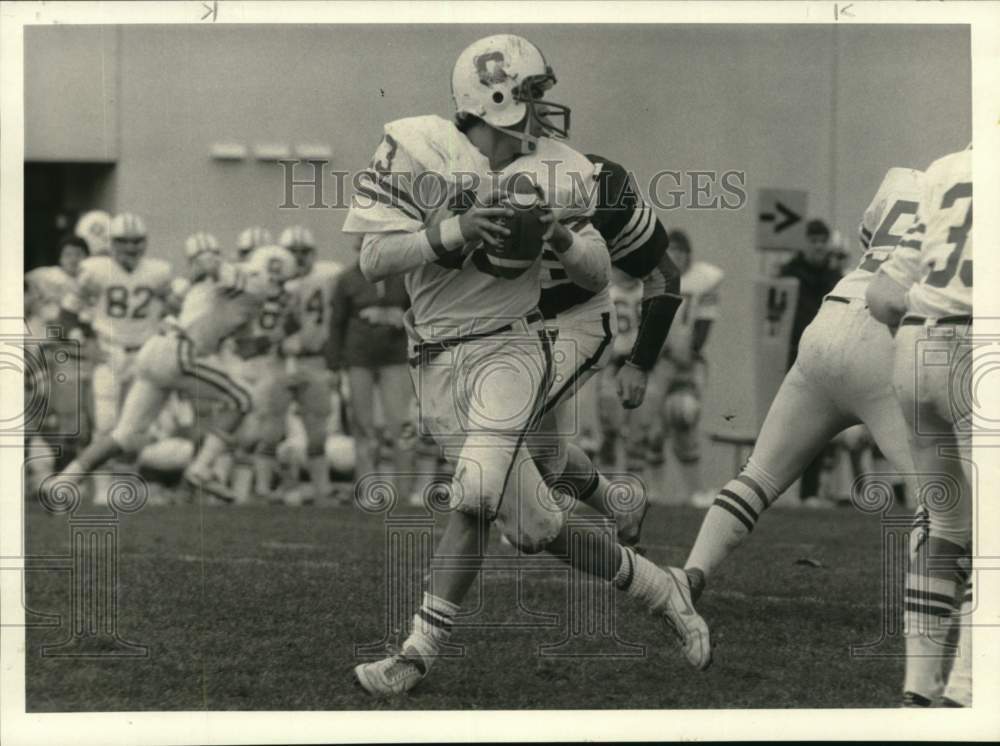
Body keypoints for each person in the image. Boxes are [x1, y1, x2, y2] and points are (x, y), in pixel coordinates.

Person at [347, 34, 710, 697]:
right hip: (430, 355)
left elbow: (603, 272)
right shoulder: (416, 147)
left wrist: (563, 237)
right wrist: (455, 231)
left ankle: (415, 655)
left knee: (478, 493)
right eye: (532, 94)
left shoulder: (566, 170)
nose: (545, 109)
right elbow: (372, 259)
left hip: (512, 348)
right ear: (491, 97)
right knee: (538, 525)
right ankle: (662, 589)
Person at [682, 166, 925, 621]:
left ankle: (691, 573)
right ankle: (936, 617)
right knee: (939, 500)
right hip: (888, 340)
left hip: (831, 320)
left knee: (757, 476)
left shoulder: (902, 178)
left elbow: (871, 243)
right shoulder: (976, 194)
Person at [44, 244, 298, 504]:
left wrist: (278, 335)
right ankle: (201, 468)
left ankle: (63, 482)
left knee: (125, 434)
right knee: (244, 398)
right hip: (180, 351)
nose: (280, 289)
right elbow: (211, 264)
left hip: (155, 349)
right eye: (280, 281)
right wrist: (203, 270)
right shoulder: (250, 282)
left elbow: (245, 349)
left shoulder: (246, 297)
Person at [532, 153, 683, 547]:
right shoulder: (467, 172)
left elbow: (662, 274)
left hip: (575, 320)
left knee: (510, 426)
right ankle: (620, 506)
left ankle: (520, 513)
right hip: (516, 325)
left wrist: (640, 362)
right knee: (544, 452)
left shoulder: (596, 181)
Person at [867, 147, 972, 708]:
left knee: (946, 525)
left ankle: (918, 690)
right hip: (983, 347)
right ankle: (965, 693)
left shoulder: (944, 170)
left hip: (916, 343)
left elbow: (881, 295)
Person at [59, 213, 173, 504]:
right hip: (109, 351)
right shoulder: (94, 270)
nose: (131, 247)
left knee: (135, 426)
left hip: (144, 354)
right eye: (123, 241)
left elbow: (174, 309)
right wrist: (86, 341)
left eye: (137, 241)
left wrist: (168, 329)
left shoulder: (159, 272)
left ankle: (126, 489)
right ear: (111, 243)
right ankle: (102, 491)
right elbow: (68, 313)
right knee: (107, 424)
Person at [326, 236, 415, 504]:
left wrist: (398, 320)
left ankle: (403, 492)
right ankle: (367, 491)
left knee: (400, 425)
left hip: (396, 358)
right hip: (358, 360)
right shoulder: (347, 279)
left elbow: (420, 314)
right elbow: (336, 323)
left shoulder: (404, 276)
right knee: (363, 427)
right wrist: (333, 365)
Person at [648, 230, 723, 506]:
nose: (676, 256)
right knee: (653, 427)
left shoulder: (704, 280)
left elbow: (704, 325)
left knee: (683, 414)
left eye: (681, 250)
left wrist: (690, 352)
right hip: (656, 360)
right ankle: (655, 491)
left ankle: (695, 490)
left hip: (686, 361)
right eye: (671, 250)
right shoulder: (653, 279)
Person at [276, 225, 344, 504]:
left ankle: (321, 490)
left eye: (304, 252)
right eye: (293, 252)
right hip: (279, 362)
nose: (299, 257)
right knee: (275, 426)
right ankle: (283, 487)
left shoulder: (328, 276)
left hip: (315, 360)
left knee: (318, 429)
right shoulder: (271, 282)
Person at [778, 218, 844, 502]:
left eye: (821, 241)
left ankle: (810, 492)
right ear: (806, 243)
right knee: (788, 423)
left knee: (816, 426)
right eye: (813, 241)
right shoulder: (788, 274)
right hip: (793, 353)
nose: (818, 246)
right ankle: (780, 488)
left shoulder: (835, 276)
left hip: (824, 355)